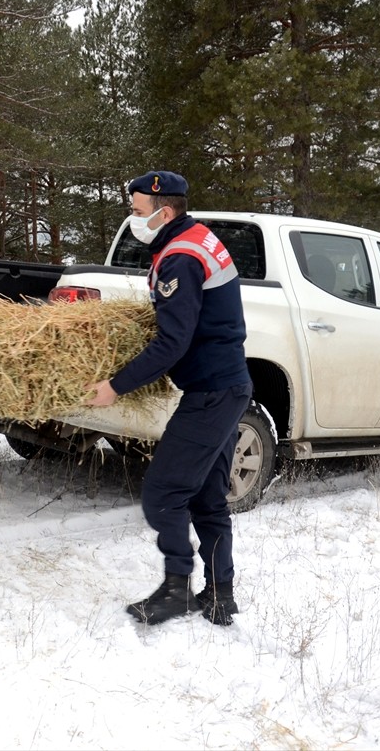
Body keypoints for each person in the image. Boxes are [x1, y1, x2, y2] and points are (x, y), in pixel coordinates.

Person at [85, 170, 252, 626]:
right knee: (207, 498)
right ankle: (220, 595)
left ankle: (177, 588)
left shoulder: (180, 256)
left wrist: (115, 386)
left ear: (165, 209)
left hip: (213, 392)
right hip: (225, 385)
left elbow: (171, 343)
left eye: (138, 212)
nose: (134, 219)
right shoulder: (194, 238)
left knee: (162, 494)